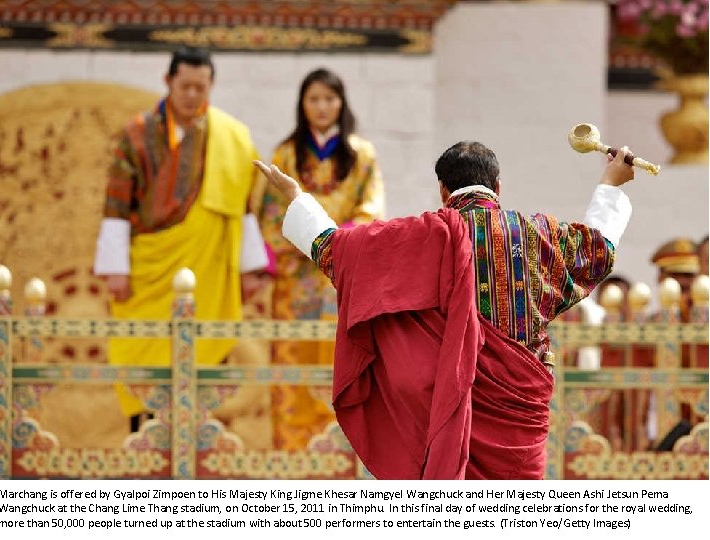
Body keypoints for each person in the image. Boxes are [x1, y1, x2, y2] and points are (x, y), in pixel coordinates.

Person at [254, 141, 634, 479]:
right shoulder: (535, 235)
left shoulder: (418, 236)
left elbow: (337, 250)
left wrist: (298, 197)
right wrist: (611, 182)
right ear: (497, 187)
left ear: (443, 190)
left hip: (439, 412)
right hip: (517, 424)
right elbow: (596, 250)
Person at [94, 47, 267, 429]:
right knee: (142, 357)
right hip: (149, 269)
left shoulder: (232, 137)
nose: (192, 95)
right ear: (168, 82)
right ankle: (146, 452)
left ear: (211, 86)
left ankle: (201, 457)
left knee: (204, 363)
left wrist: (251, 267)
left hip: (211, 271)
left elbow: (245, 207)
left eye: (200, 87)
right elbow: (117, 204)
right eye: (185, 86)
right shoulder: (136, 135)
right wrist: (115, 270)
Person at [257, 68, 385, 450]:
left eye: (329, 98)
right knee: (292, 364)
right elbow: (268, 214)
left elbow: (372, 210)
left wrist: (337, 239)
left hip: (342, 277)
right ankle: (292, 456)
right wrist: (302, 242)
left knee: (340, 362)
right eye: (314, 99)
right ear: (302, 104)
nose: (322, 107)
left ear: (341, 103)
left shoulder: (362, 154)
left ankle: (342, 456)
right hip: (295, 280)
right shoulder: (285, 153)